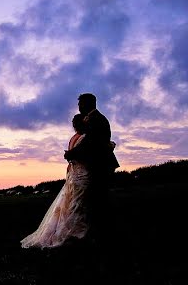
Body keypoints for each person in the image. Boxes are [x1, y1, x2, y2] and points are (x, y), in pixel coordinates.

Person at [21, 114, 93, 249]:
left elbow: (72, 155)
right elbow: (78, 154)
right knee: (76, 203)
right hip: (78, 172)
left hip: (74, 172)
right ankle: (76, 232)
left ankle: (75, 230)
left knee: (73, 202)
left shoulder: (75, 138)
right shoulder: (82, 138)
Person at [63, 93, 119, 245]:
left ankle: (100, 235)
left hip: (99, 166)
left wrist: (71, 153)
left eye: (80, 104)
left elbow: (90, 144)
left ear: (88, 103)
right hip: (95, 165)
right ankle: (97, 232)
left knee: (98, 199)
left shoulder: (96, 120)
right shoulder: (93, 119)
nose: (79, 107)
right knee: (95, 200)